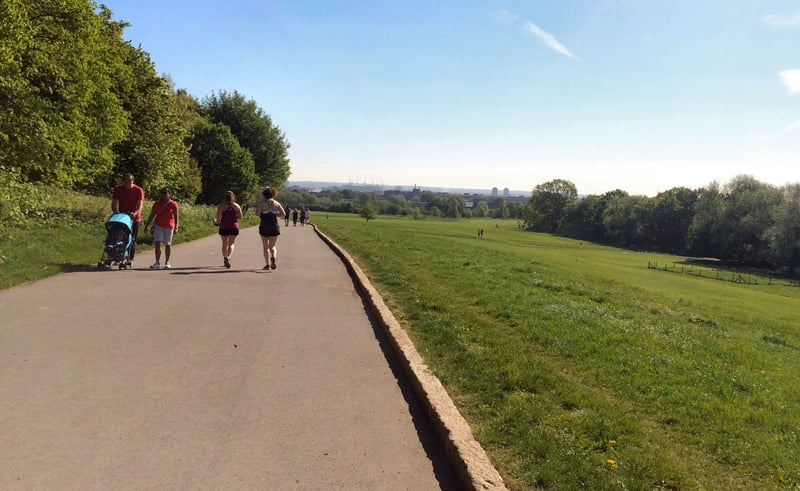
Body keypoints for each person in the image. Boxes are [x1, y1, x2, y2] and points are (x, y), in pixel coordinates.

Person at [111, 173, 145, 266]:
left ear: (133, 181)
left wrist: (135, 213)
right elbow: (114, 203)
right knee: (119, 237)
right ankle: (118, 256)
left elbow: (140, 205)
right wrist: (115, 211)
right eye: (126, 180)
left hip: (134, 218)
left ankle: (131, 258)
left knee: (132, 238)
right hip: (122, 217)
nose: (127, 182)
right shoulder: (119, 189)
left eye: (129, 180)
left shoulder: (138, 190)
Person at [144, 187, 179, 269]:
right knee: (157, 243)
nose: (164, 195)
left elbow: (176, 216)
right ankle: (157, 262)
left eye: (166, 193)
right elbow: (152, 215)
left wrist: (176, 226)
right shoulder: (156, 204)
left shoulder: (173, 204)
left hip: (169, 226)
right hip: (158, 225)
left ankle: (167, 262)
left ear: (169, 195)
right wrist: (147, 225)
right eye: (163, 193)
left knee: (167, 244)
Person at [256, 187, 286, 270]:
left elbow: (257, 214)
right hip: (274, 226)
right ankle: (273, 257)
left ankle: (267, 264)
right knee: (272, 246)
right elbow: (283, 213)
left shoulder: (261, 204)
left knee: (265, 247)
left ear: (264, 195)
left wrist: (263, 213)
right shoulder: (276, 203)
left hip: (264, 226)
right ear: (273, 194)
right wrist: (275, 215)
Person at [214, 190, 243, 269]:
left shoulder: (221, 206)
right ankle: (229, 257)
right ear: (233, 197)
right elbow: (241, 217)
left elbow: (218, 218)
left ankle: (225, 257)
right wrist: (234, 216)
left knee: (224, 244)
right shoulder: (236, 206)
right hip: (233, 226)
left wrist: (216, 222)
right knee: (231, 244)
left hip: (223, 226)